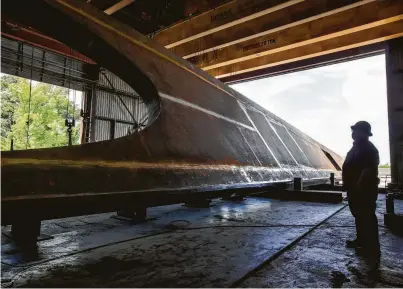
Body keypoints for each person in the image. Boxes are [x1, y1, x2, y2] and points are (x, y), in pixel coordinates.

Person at [342, 121, 380, 258]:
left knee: (367, 217)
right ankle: (361, 240)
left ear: (364, 133)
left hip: (363, 190)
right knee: (359, 216)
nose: (353, 133)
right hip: (355, 189)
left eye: (356, 130)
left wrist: (358, 186)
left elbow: (367, 171)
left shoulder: (368, 149)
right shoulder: (357, 147)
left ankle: (371, 247)